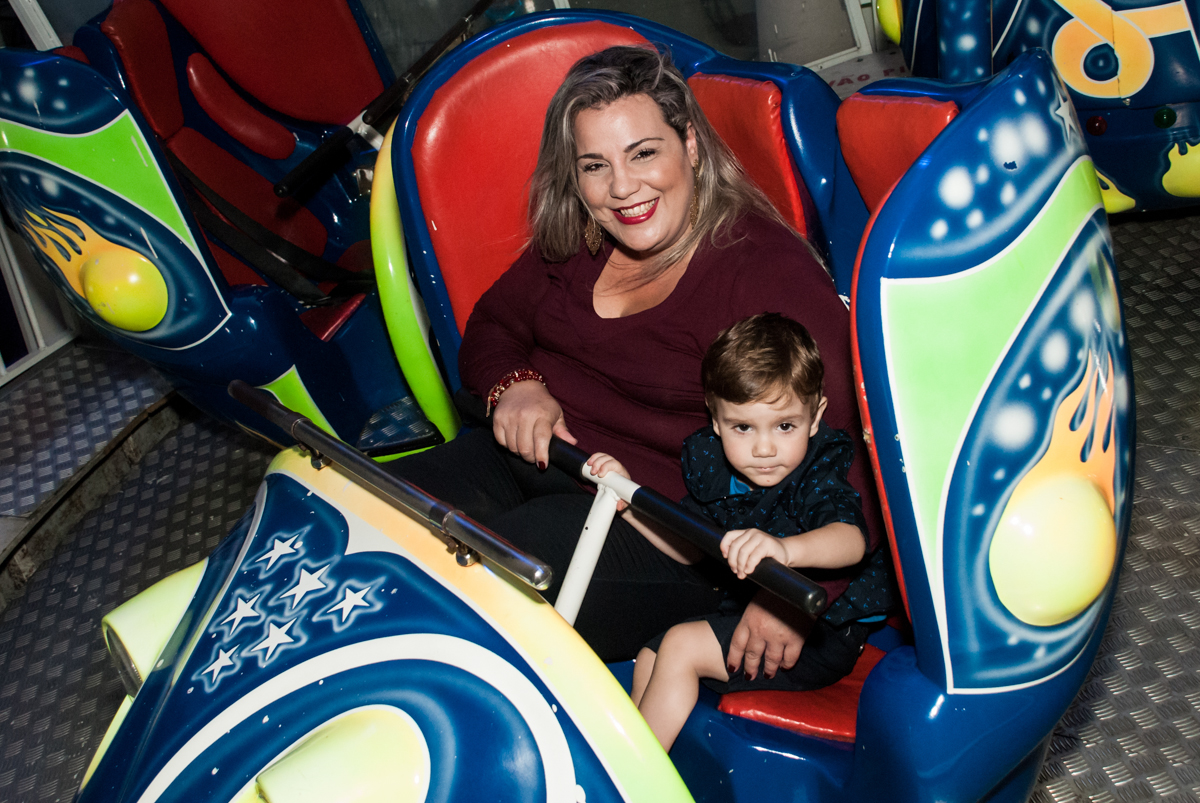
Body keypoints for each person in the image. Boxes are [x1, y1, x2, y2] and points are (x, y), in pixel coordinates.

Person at [388, 44, 885, 668]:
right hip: (547, 458)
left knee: (473, 588)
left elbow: (861, 451)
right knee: (385, 519)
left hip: (668, 534)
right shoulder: (579, 241)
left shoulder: (762, 275)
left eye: (643, 153)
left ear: (692, 149)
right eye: (595, 166)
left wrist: (792, 595)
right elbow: (492, 326)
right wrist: (516, 386)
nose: (623, 189)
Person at [588, 313, 894, 750]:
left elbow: (852, 541)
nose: (764, 448)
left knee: (679, 646)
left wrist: (785, 551)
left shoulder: (819, 473)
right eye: (742, 427)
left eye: (785, 426)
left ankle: (629, 780)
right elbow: (690, 547)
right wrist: (627, 502)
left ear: (815, 416)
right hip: (745, 610)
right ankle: (638, 766)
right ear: (716, 420)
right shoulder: (714, 465)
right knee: (651, 654)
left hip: (822, 635)